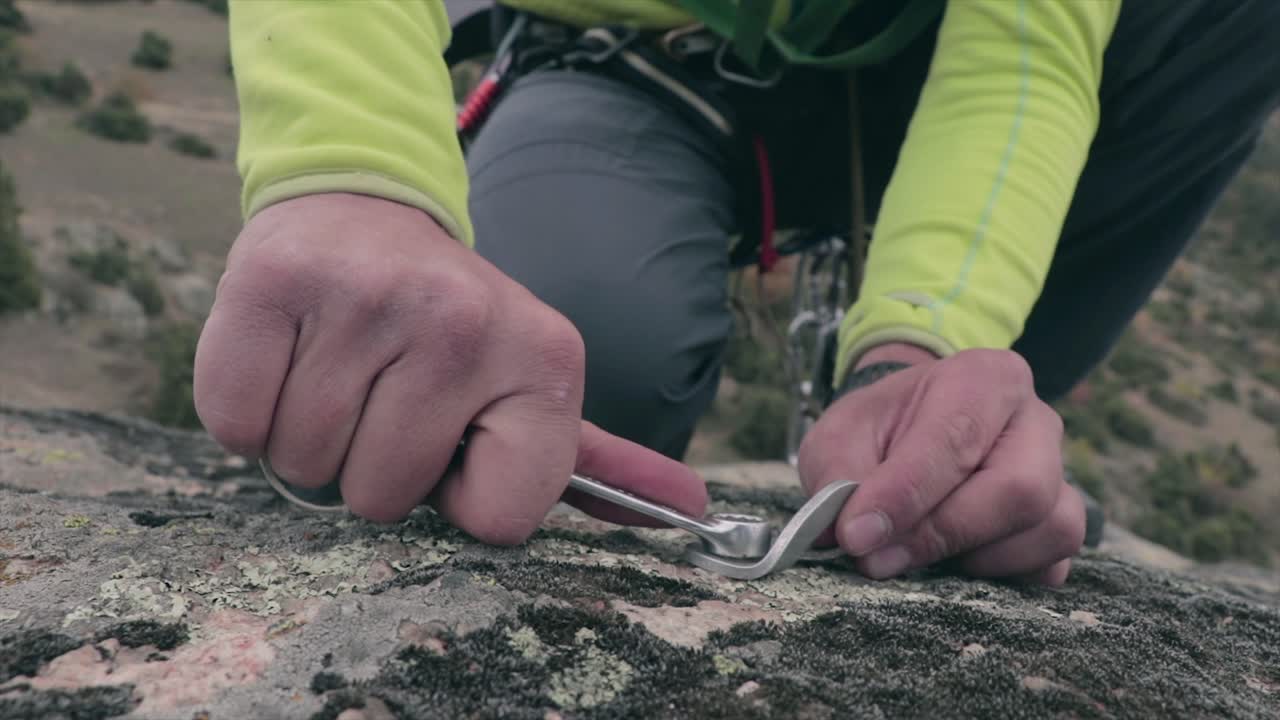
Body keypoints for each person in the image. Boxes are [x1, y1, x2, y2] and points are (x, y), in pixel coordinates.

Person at [195, 0, 1280, 587]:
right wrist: (353, 178)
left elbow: (1026, 50)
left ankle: (965, 452)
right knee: (527, 399)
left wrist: (925, 350)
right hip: (640, 53)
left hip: (911, 56)